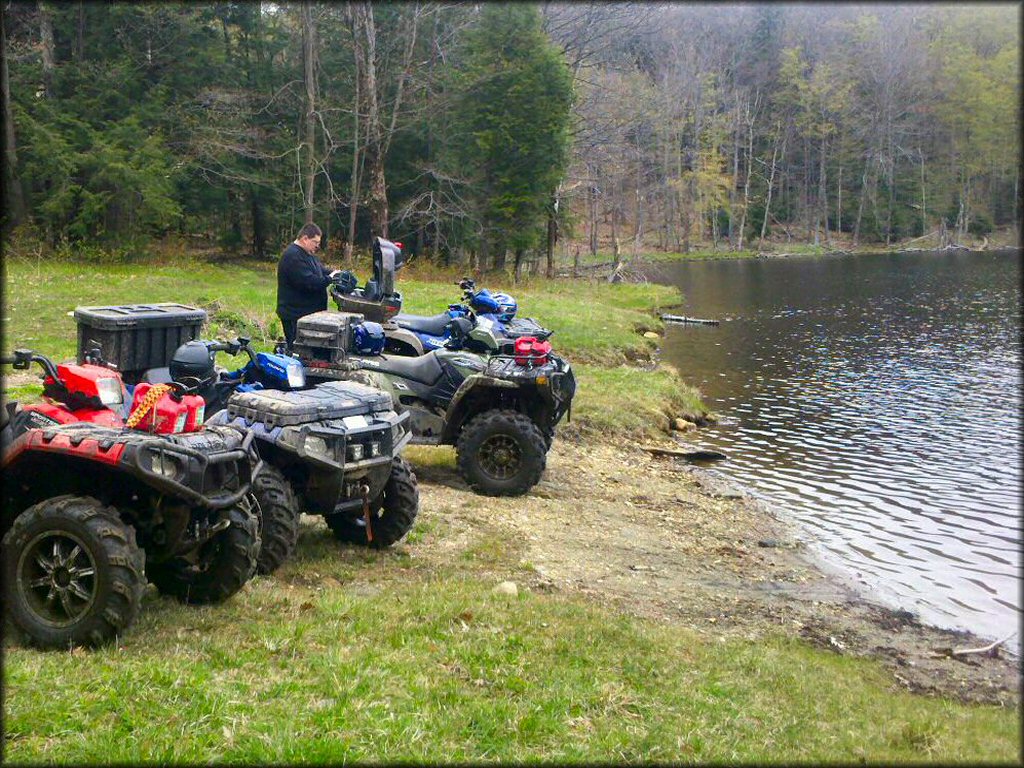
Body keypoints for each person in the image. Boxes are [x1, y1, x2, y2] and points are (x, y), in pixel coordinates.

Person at [276, 223, 340, 349]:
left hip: (307, 315)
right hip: (295, 316)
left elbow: (320, 270)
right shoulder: (293, 256)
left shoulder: (307, 254)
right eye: (315, 242)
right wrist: (330, 279)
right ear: (305, 238)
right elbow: (310, 282)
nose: (317, 246)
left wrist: (336, 273)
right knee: (298, 350)